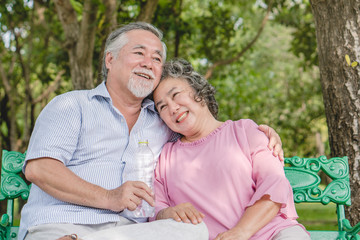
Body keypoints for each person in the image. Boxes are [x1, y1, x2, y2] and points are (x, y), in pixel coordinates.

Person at [18, 22, 283, 240]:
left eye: (157, 58)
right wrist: (110, 197)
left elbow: (208, 133)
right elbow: (40, 169)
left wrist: (261, 134)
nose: (149, 62)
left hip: (134, 233)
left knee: (194, 231)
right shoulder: (72, 105)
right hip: (62, 227)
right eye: (139, 53)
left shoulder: (164, 120)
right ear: (110, 59)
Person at [151, 59, 311, 240]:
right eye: (162, 106)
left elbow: (274, 186)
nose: (172, 108)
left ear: (199, 92)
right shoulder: (165, 157)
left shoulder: (245, 131)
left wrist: (240, 232)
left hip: (272, 233)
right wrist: (167, 214)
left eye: (176, 95)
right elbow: (156, 209)